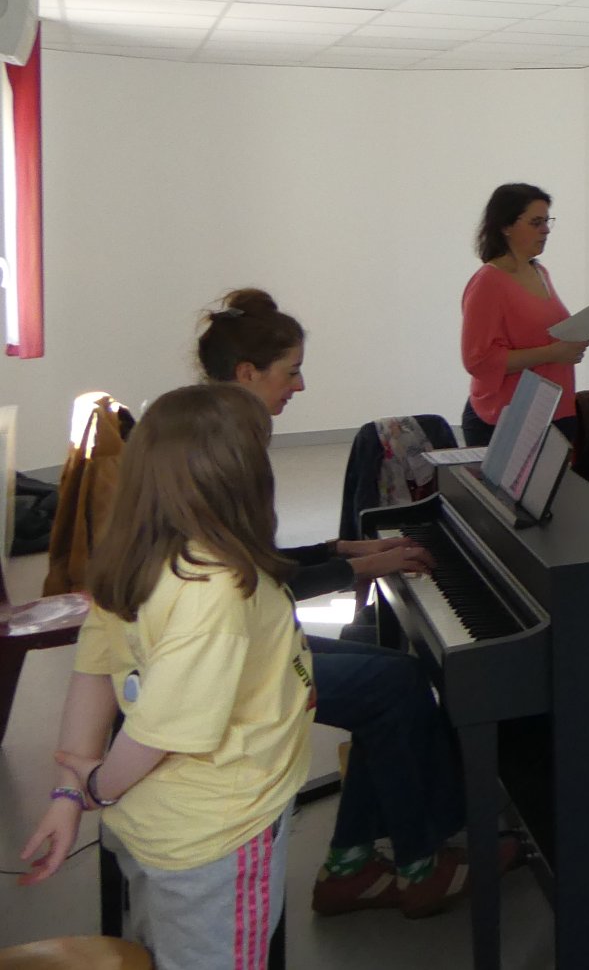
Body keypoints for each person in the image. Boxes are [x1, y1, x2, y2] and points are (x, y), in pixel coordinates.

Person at [194, 294, 487, 918]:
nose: (300, 386)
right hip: (231, 661)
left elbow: (253, 557)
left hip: (248, 638)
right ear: (247, 373)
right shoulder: (225, 449)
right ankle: (419, 863)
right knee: (396, 686)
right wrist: (357, 567)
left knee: (391, 674)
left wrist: (340, 547)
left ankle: (352, 864)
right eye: (291, 371)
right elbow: (244, 580)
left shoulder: (209, 430)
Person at [17, 384, 313, 970]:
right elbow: (158, 733)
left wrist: (68, 791)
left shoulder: (135, 558)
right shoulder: (216, 589)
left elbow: (94, 670)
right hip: (219, 833)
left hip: (158, 825)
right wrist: (96, 786)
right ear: (245, 478)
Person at [460, 182, 586, 448]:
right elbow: (479, 361)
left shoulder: (540, 272)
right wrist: (553, 353)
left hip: (555, 409)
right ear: (506, 226)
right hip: (508, 416)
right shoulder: (488, 282)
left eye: (547, 221)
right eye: (535, 222)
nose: (545, 230)